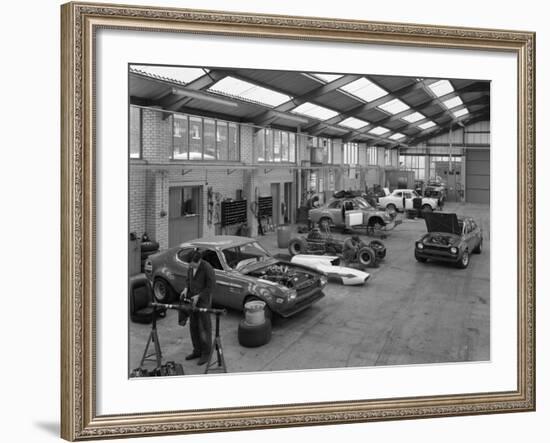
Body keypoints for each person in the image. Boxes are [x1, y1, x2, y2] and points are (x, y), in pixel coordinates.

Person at [184, 251, 216, 366]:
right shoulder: (191, 267)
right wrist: (186, 288)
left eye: (192, 264)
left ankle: (206, 353)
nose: (190, 266)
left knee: (204, 328)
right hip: (193, 301)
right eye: (190, 264)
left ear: (199, 261)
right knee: (193, 326)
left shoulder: (207, 268)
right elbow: (188, 279)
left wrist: (200, 296)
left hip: (203, 303)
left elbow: (211, 287)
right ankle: (197, 351)